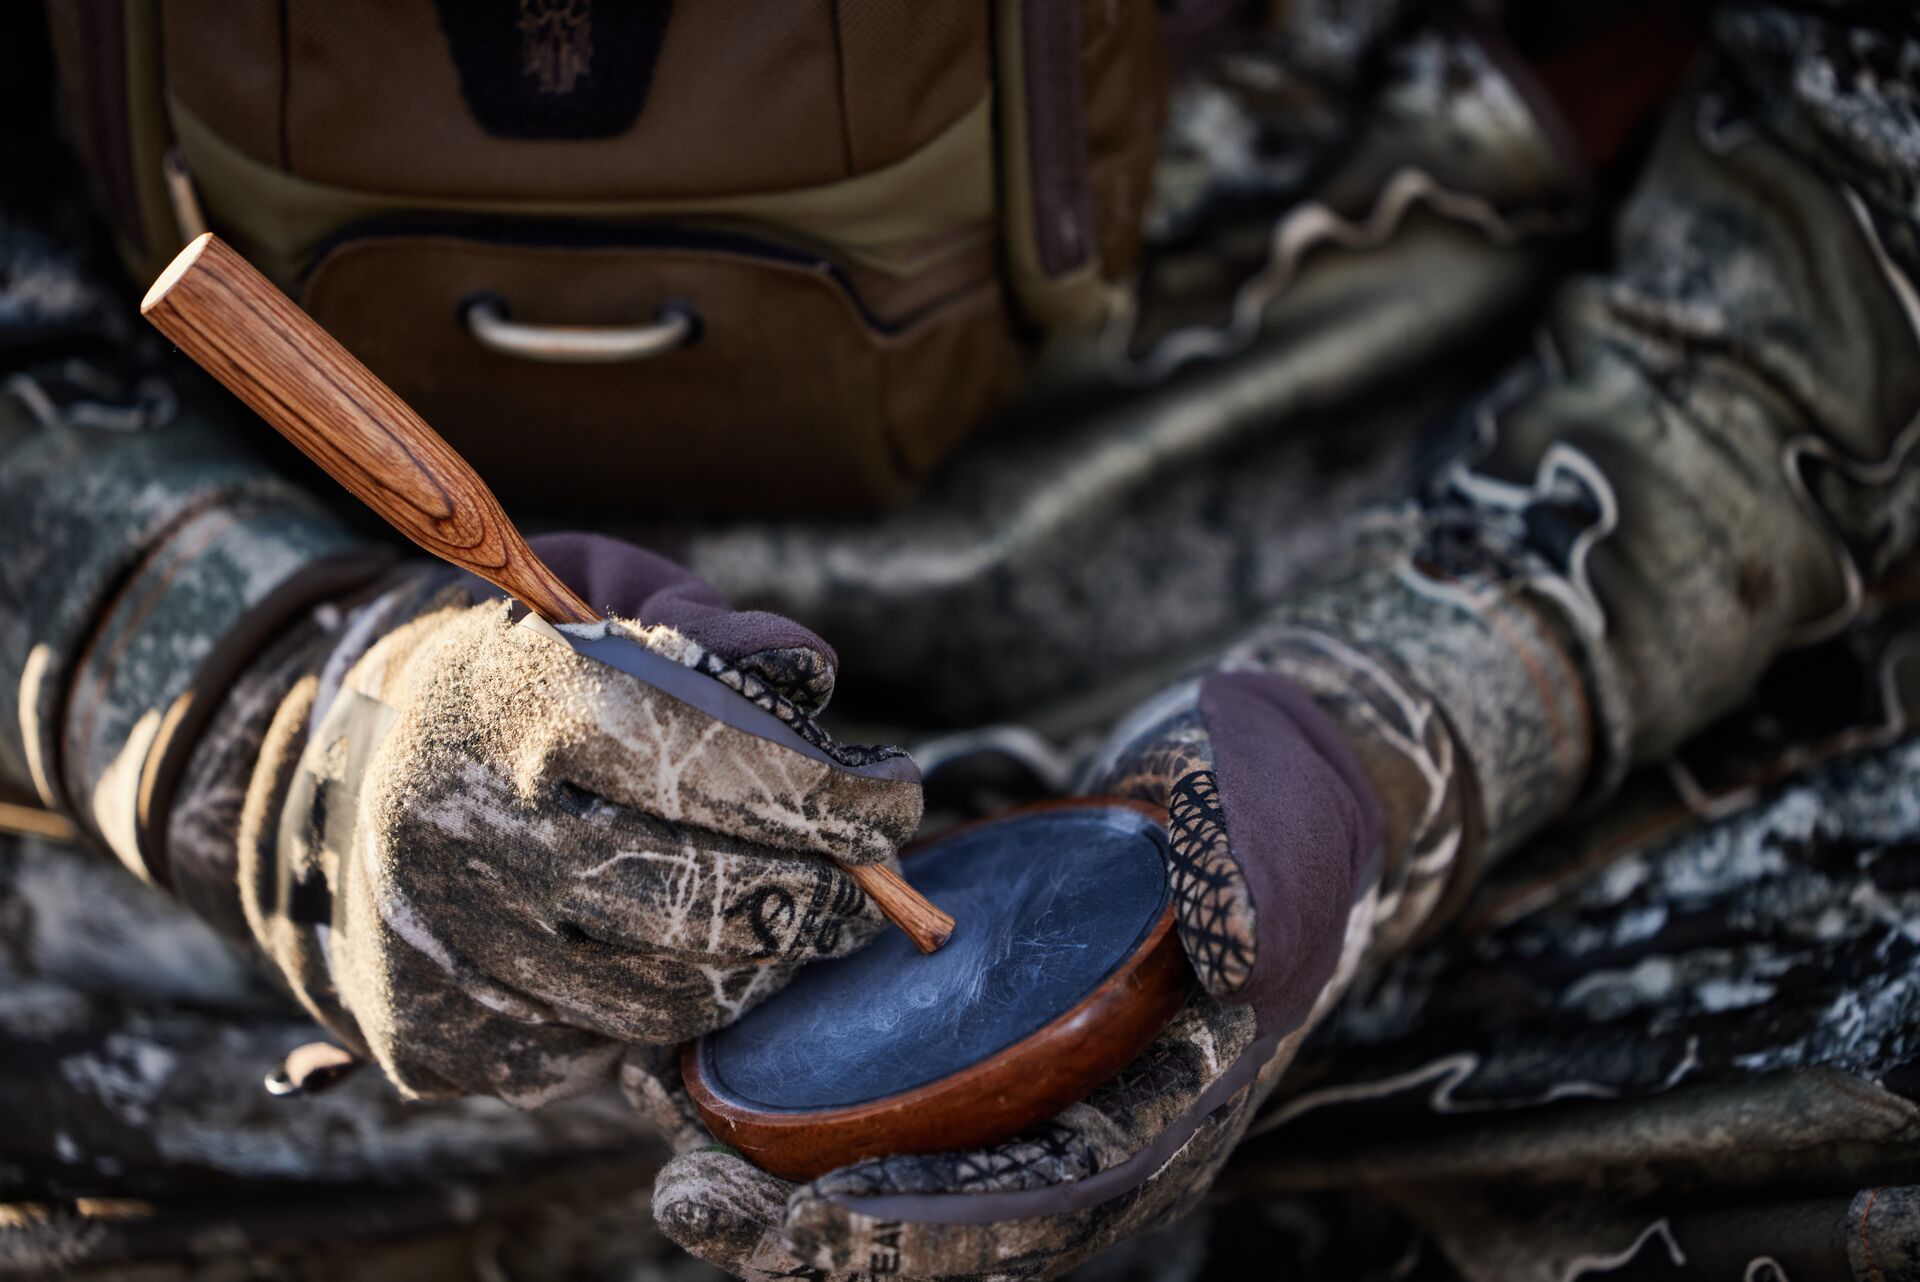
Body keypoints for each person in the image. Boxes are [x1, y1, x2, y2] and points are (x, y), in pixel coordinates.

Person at [3, 2, 1918, 1278]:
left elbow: (1857, 211)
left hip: (1422, 647)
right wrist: (276, 723)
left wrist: (1397, 728)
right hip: (378, 829)